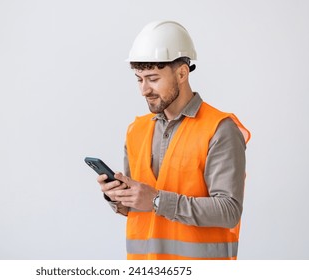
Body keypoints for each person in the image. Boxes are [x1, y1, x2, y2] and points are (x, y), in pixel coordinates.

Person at [97, 20, 250, 260]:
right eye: (139, 79)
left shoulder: (219, 129)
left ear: (181, 73)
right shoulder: (135, 130)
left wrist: (157, 200)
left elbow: (228, 210)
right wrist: (118, 196)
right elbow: (138, 206)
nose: (144, 90)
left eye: (153, 78)